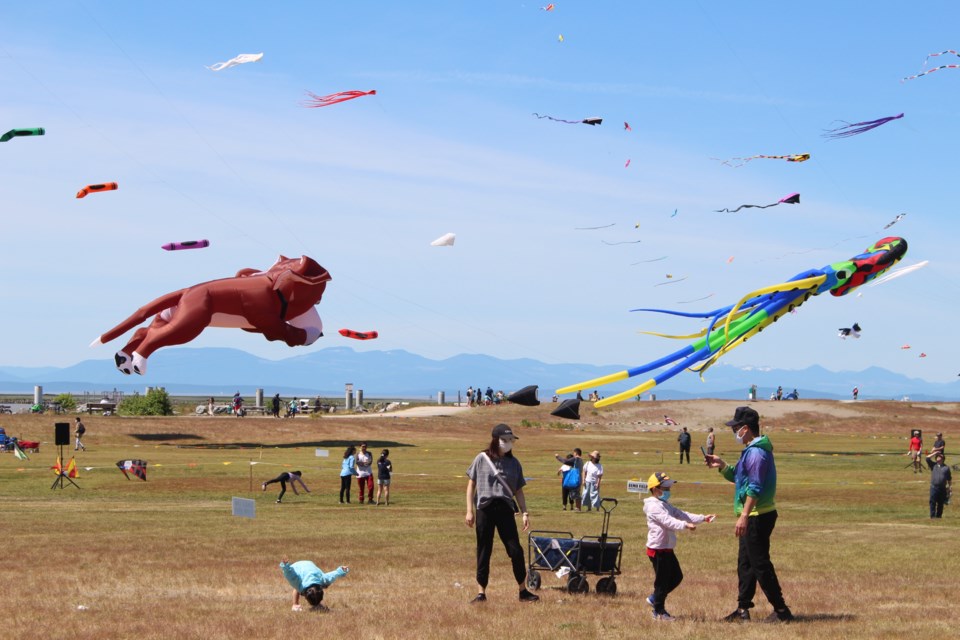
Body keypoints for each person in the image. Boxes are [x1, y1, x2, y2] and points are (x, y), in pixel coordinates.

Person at [705, 406, 793, 623]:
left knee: (760, 564)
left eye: (735, 427)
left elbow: (754, 487)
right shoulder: (752, 450)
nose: (733, 431)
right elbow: (740, 478)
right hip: (752, 514)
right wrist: (723, 466)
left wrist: (744, 515)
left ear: (745, 428)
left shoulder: (756, 452)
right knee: (746, 563)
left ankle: (782, 611)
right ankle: (743, 609)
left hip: (757, 515)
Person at [465, 423, 539, 603]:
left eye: (511, 440)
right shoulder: (481, 458)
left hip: (505, 509)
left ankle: (523, 591)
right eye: (504, 440)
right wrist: (469, 511)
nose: (508, 443)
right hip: (485, 509)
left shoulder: (514, 463)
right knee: (484, 550)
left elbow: (519, 490)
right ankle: (481, 593)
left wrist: (525, 512)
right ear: (495, 440)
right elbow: (471, 485)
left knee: (515, 550)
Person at [644, 471, 716, 621]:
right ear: (655, 489)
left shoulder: (665, 504)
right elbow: (668, 521)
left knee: (677, 576)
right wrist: (685, 526)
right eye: (665, 488)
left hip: (667, 548)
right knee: (662, 581)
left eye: (669, 488)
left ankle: (655, 598)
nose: (668, 491)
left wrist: (703, 518)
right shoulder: (653, 506)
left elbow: (682, 514)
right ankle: (659, 611)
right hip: (658, 549)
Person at [279, 557, 349, 612]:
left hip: (310, 566)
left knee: (299, 586)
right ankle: (295, 605)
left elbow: (331, 576)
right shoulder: (297, 582)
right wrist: (286, 567)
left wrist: (340, 571)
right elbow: (290, 574)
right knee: (297, 587)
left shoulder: (323, 581)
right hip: (298, 567)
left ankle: (317, 604)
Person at [929, 453, 952, 518]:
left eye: (939, 457)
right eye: (937, 457)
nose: (937, 458)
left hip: (942, 488)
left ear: (942, 459)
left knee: (940, 503)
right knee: (932, 502)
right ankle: (932, 516)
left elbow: (949, 479)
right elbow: (927, 458)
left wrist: (950, 487)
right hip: (934, 487)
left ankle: (939, 516)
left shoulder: (946, 468)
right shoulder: (933, 465)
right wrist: (935, 453)